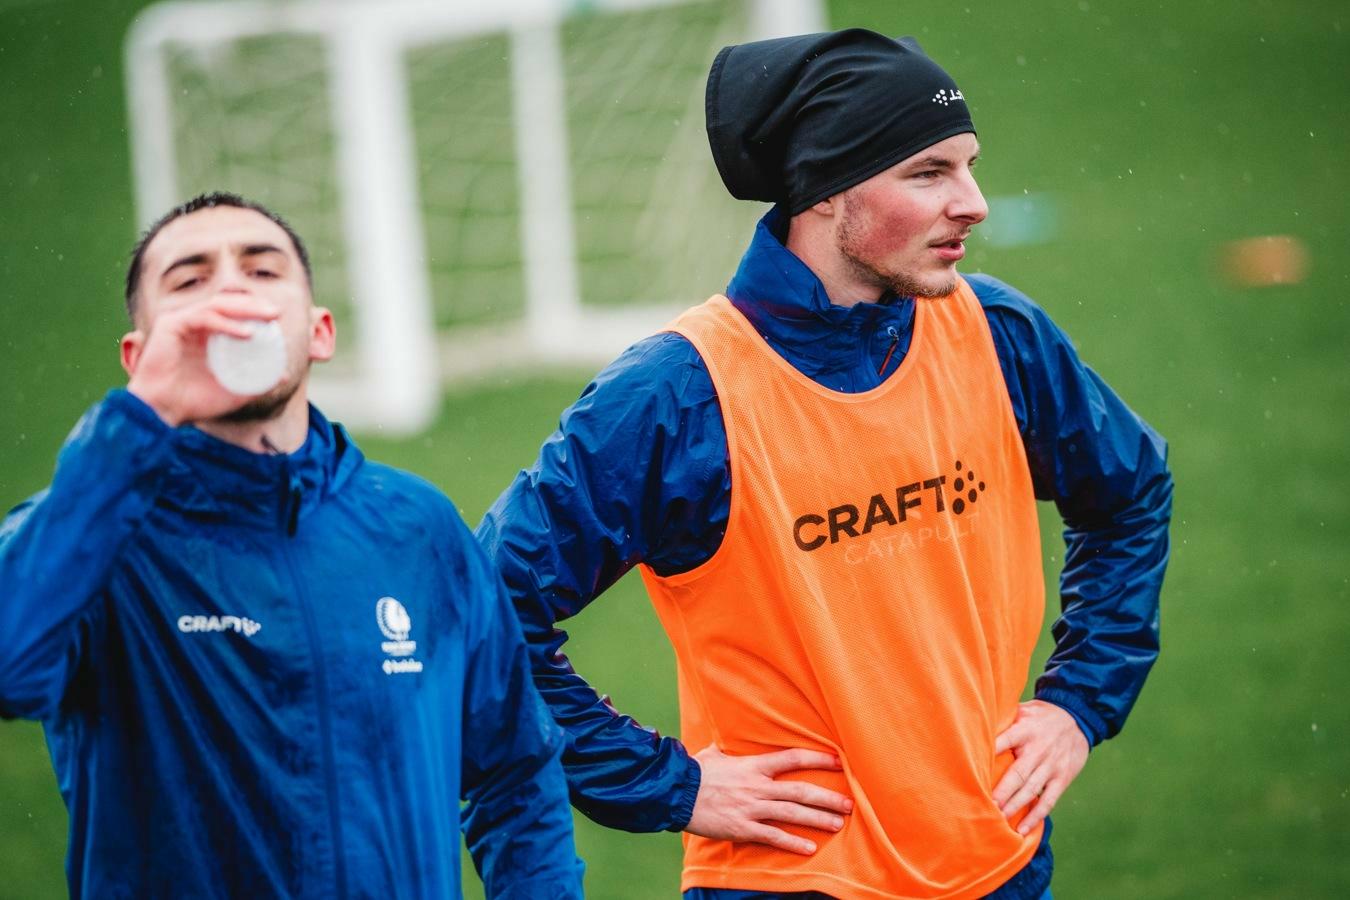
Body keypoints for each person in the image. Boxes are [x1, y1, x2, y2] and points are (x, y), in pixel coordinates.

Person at [477, 29, 1172, 899]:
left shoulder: (997, 332)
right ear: (826, 191)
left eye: (968, 166)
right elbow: (484, 605)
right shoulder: (677, 392)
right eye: (929, 173)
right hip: (789, 881)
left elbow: (1130, 491)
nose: (974, 203)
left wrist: (1079, 703)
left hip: (1002, 866)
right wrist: (668, 783)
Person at [0, 193, 584, 899]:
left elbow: (516, 774)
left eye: (261, 270)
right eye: (190, 281)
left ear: (318, 333)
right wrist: (137, 421)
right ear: (138, 357)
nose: (231, 294)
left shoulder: (417, 526)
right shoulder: (88, 535)